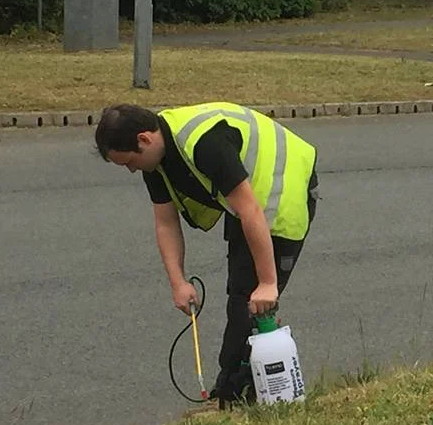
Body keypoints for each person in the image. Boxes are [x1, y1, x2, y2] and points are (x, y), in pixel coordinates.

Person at [94, 101, 319, 407]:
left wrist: (267, 282)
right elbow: (165, 222)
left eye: (130, 162)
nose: (132, 169)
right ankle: (236, 391)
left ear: (144, 139)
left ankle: (240, 394)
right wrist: (178, 282)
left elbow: (251, 209)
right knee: (241, 295)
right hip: (246, 202)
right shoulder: (155, 160)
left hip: (283, 189)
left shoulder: (204, 144)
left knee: (255, 300)